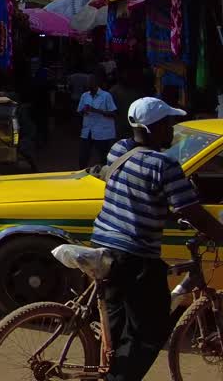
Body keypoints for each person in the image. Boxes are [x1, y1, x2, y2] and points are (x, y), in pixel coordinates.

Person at [91, 98, 223, 381]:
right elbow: (192, 211)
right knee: (153, 329)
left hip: (104, 244)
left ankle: (108, 371)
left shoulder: (119, 151)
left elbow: (140, 192)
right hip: (134, 254)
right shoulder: (164, 165)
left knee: (119, 327)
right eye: (168, 125)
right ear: (155, 128)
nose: (172, 132)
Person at [78, 75, 118, 168]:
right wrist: (84, 110)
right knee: (83, 156)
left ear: (96, 83)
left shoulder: (106, 96)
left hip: (102, 132)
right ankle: (81, 175)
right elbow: (79, 112)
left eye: (90, 82)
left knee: (103, 157)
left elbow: (113, 113)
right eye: (87, 82)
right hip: (87, 131)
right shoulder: (85, 95)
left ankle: (104, 176)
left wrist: (96, 110)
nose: (88, 84)